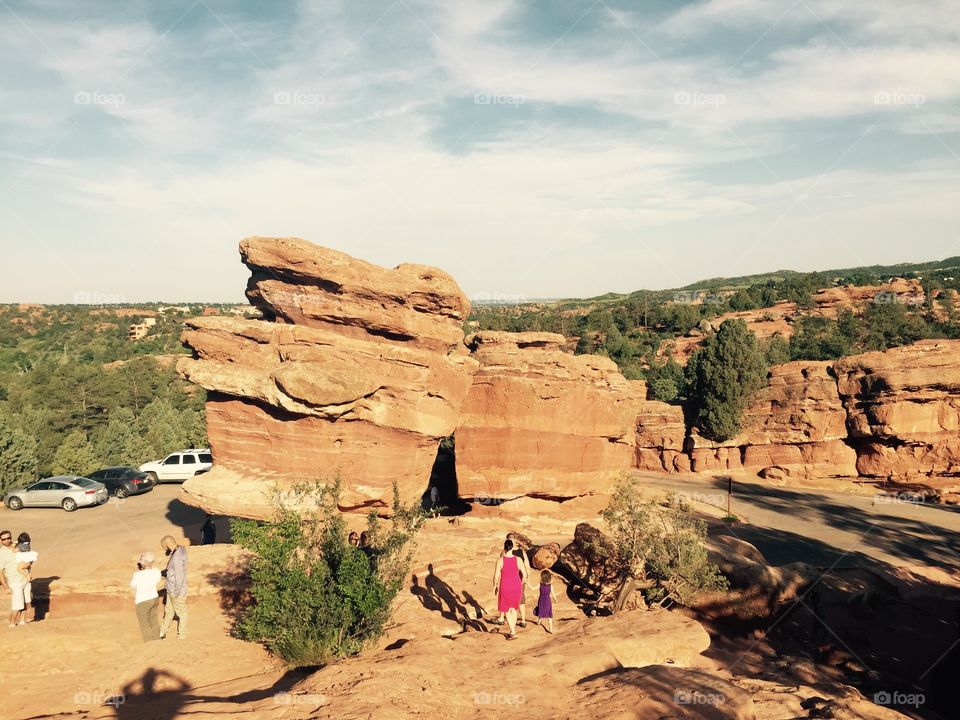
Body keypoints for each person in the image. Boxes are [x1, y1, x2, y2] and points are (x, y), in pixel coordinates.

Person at [493, 539, 525, 641]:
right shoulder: (518, 559)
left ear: (504, 547)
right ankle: (512, 631)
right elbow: (525, 574)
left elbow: (496, 576)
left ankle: (513, 632)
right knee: (514, 609)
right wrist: (521, 583)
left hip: (505, 586)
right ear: (512, 547)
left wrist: (495, 586)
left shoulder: (500, 560)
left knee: (506, 609)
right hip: (516, 585)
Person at [159, 536, 188, 640]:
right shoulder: (181, 549)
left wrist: (176, 592)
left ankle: (182, 635)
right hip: (171, 588)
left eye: (163, 546)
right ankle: (162, 632)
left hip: (176, 590)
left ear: (167, 544)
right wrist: (168, 572)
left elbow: (179, 576)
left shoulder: (177, 557)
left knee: (182, 612)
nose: (164, 549)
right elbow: (176, 570)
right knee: (169, 611)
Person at [130, 552, 162, 642]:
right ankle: (156, 638)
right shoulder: (156, 571)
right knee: (154, 620)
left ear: (145, 562)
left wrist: (137, 571)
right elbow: (158, 579)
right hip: (154, 598)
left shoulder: (137, 575)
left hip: (142, 600)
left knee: (144, 622)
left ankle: (149, 641)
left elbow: (133, 586)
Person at [0, 530, 24, 629]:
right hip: (13, 581)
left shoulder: (17, 545)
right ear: (0, 540)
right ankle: (12, 623)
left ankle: (22, 621)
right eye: (4, 539)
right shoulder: (1, 553)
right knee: (17, 603)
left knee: (26, 601)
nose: (7, 540)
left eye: (8, 538)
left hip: (24, 578)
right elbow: (0, 572)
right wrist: (5, 586)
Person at [14, 533, 37, 624]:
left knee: (22, 599)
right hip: (26, 569)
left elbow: (14, 551)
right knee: (26, 599)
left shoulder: (19, 546)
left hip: (21, 572)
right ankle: (22, 620)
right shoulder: (28, 546)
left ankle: (18, 620)